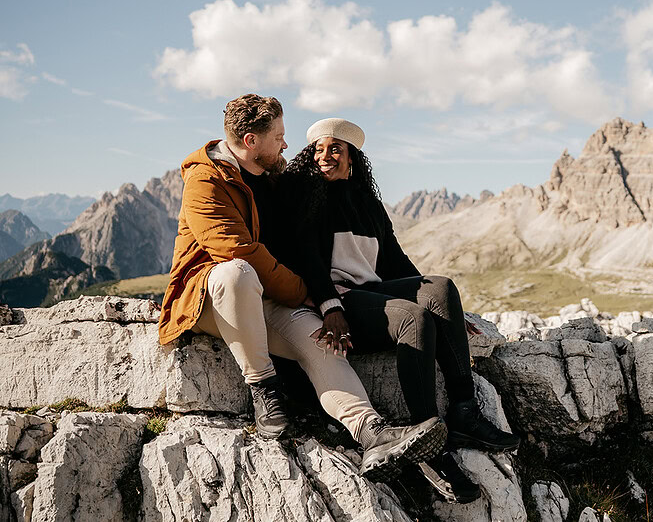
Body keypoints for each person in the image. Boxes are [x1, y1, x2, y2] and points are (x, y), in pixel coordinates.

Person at [157, 94, 447, 482]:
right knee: (237, 272)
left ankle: (371, 432)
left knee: (319, 341)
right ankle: (263, 387)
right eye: (278, 136)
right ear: (250, 141)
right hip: (209, 299)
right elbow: (235, 249)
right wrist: (303, 293)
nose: (286, 144)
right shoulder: (205, 180)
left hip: (265, 298)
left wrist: (321, 305)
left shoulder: (271, 176)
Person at [276, 117, 521, 504]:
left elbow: (396, 262)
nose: (325, 156)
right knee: (413, 318)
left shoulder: (367, 204)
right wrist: (330, 307)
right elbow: (306, 259)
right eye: (319, 149)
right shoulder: (304, 195)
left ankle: (464, 413)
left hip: (372, 293)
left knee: (440, 288)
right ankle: (430, 446)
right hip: (340, 300)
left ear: (352, 158)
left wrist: (449, 311)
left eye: (335, 148)